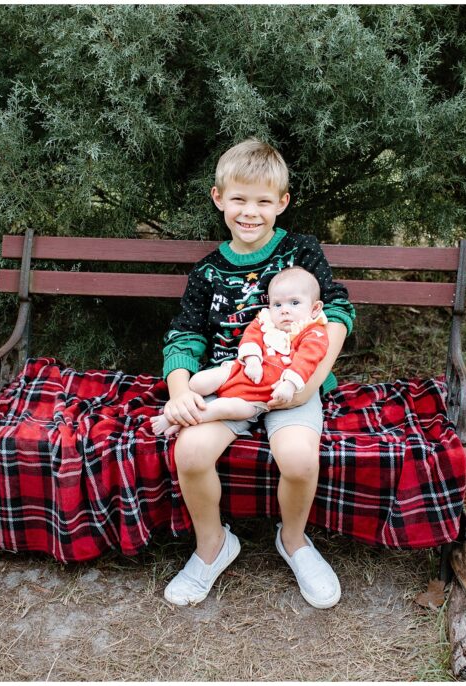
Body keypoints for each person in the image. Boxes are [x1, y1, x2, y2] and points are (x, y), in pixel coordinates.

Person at [159, 138, 355, 609]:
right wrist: (180, 389)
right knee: (189, 451)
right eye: (240, 200)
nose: (250, 212)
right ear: (219, 199)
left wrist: (308, 384)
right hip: (232, 382)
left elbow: (338, 313)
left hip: (293, 383)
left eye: (263, 201)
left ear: (282, 203)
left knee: (299, 459)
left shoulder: (300, 252)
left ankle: (294, 540)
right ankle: (213, 545)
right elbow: (185, 336)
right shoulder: (207, 273)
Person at [150, 266, 330, 437]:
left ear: (315, 308)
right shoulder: (265, 321)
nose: (284, 310)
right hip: (238, 371)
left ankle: (177, 420)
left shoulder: (313, 333)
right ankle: (185, 405)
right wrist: (252, 359)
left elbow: (306, 360)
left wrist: (289, 384)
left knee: (224, 408)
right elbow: (250, 338)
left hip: (257, 397)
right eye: (277, 304)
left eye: (294, 303)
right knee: (198, 382)